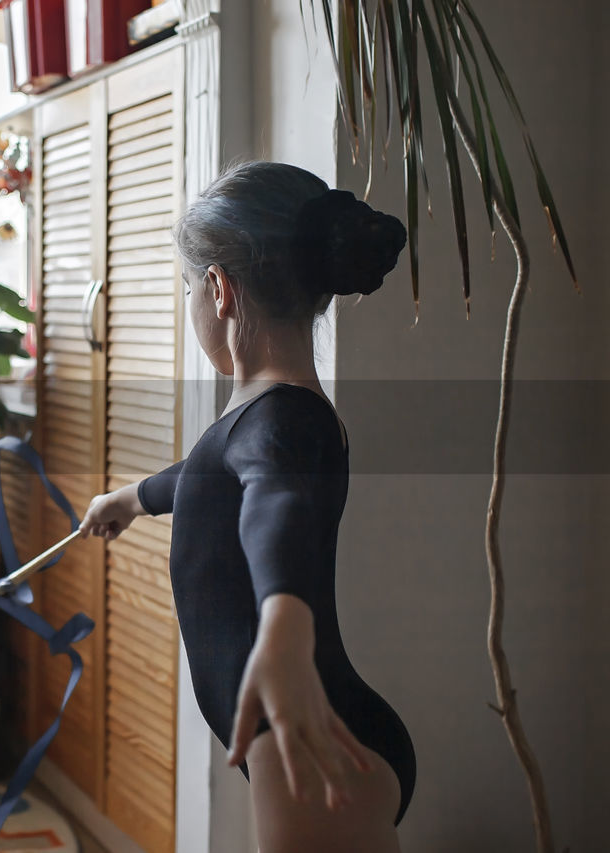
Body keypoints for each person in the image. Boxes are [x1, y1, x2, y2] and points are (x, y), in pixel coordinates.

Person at [79, 161, 416, 852]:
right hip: (309, 726)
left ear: (219, 289)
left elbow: (276, 503)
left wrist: (284, 626)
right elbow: (219, 478)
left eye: (186, 287)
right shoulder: (271, 412)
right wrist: (133, 498)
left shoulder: (283, 424)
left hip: (314, 737)